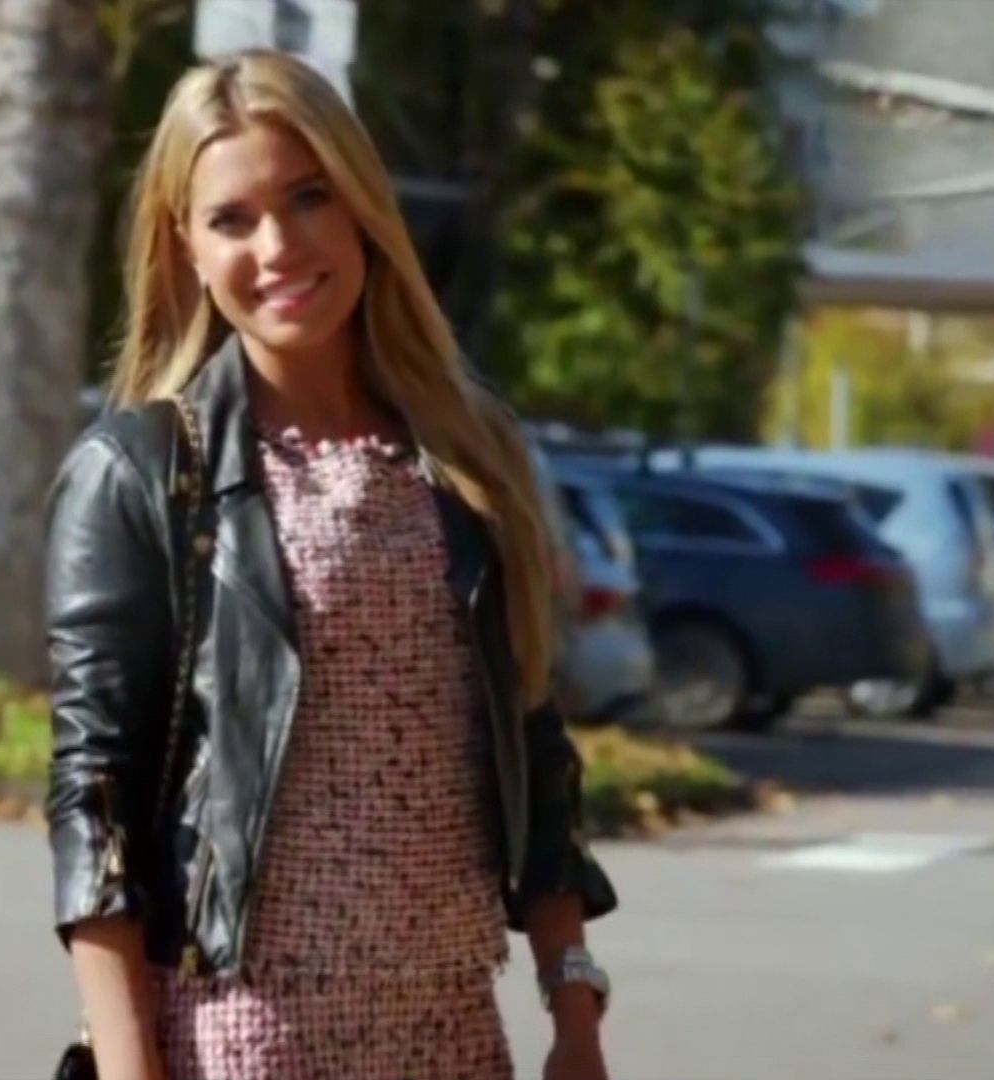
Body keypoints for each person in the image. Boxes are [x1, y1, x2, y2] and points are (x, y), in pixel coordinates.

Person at [44, 50, 617, 1080]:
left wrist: (574, 1010)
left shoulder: (468, 453)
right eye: (233, 219)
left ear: (362, 207)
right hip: (245, 1032)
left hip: (452, 1028)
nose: (278, 246)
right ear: (186, 246)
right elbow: (96, 797)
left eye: (308, 197)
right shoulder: (142, 472)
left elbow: (532, 740)